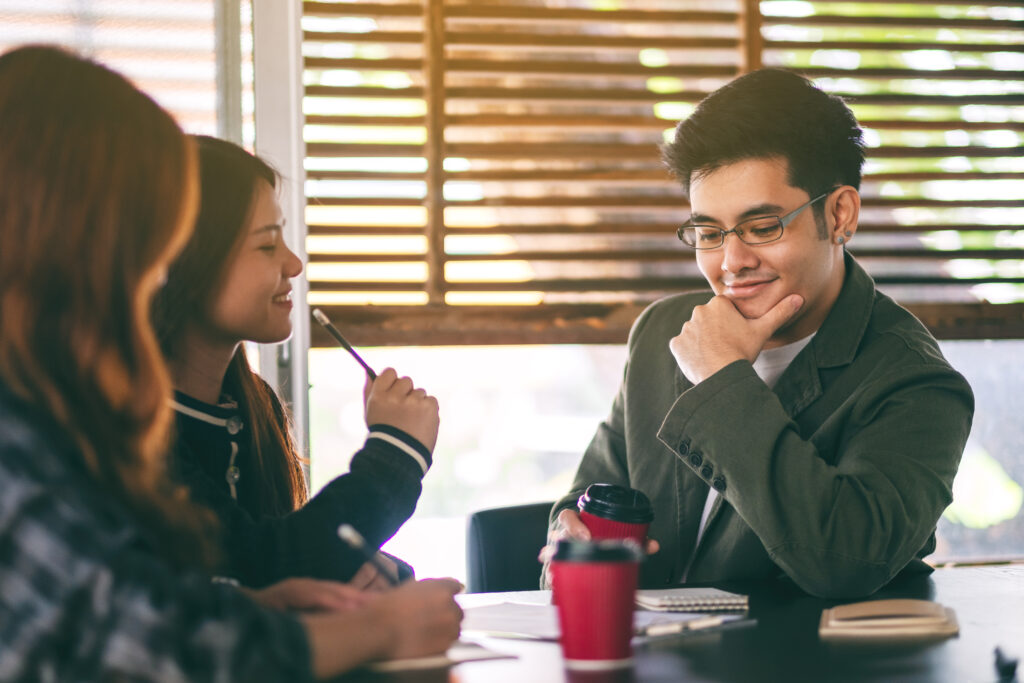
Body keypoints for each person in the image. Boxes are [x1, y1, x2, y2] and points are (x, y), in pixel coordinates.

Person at [0, 45, 461, 680]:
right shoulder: (38, 426)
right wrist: (376, 622)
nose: (148, 271)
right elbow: (147, 646)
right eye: (145, 242)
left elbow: (146, 589)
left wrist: (247, 603)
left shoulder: (228, 409)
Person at [544, 68, 974, 599]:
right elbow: (590, 496)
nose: (732, 262)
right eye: (708, 232)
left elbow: (848, 562)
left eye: (763, 227)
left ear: (839, 214)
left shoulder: (915, 382)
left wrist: (722, 377)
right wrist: (569, 538)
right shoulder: (663, 331)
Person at [152, 135, 436, 589]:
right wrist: (396, 452)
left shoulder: (255, 405)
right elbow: (261, 562)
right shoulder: (132, 429)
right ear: (185, 259)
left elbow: (286, 562)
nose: (293, 263)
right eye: (267, 246)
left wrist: (367, 573)